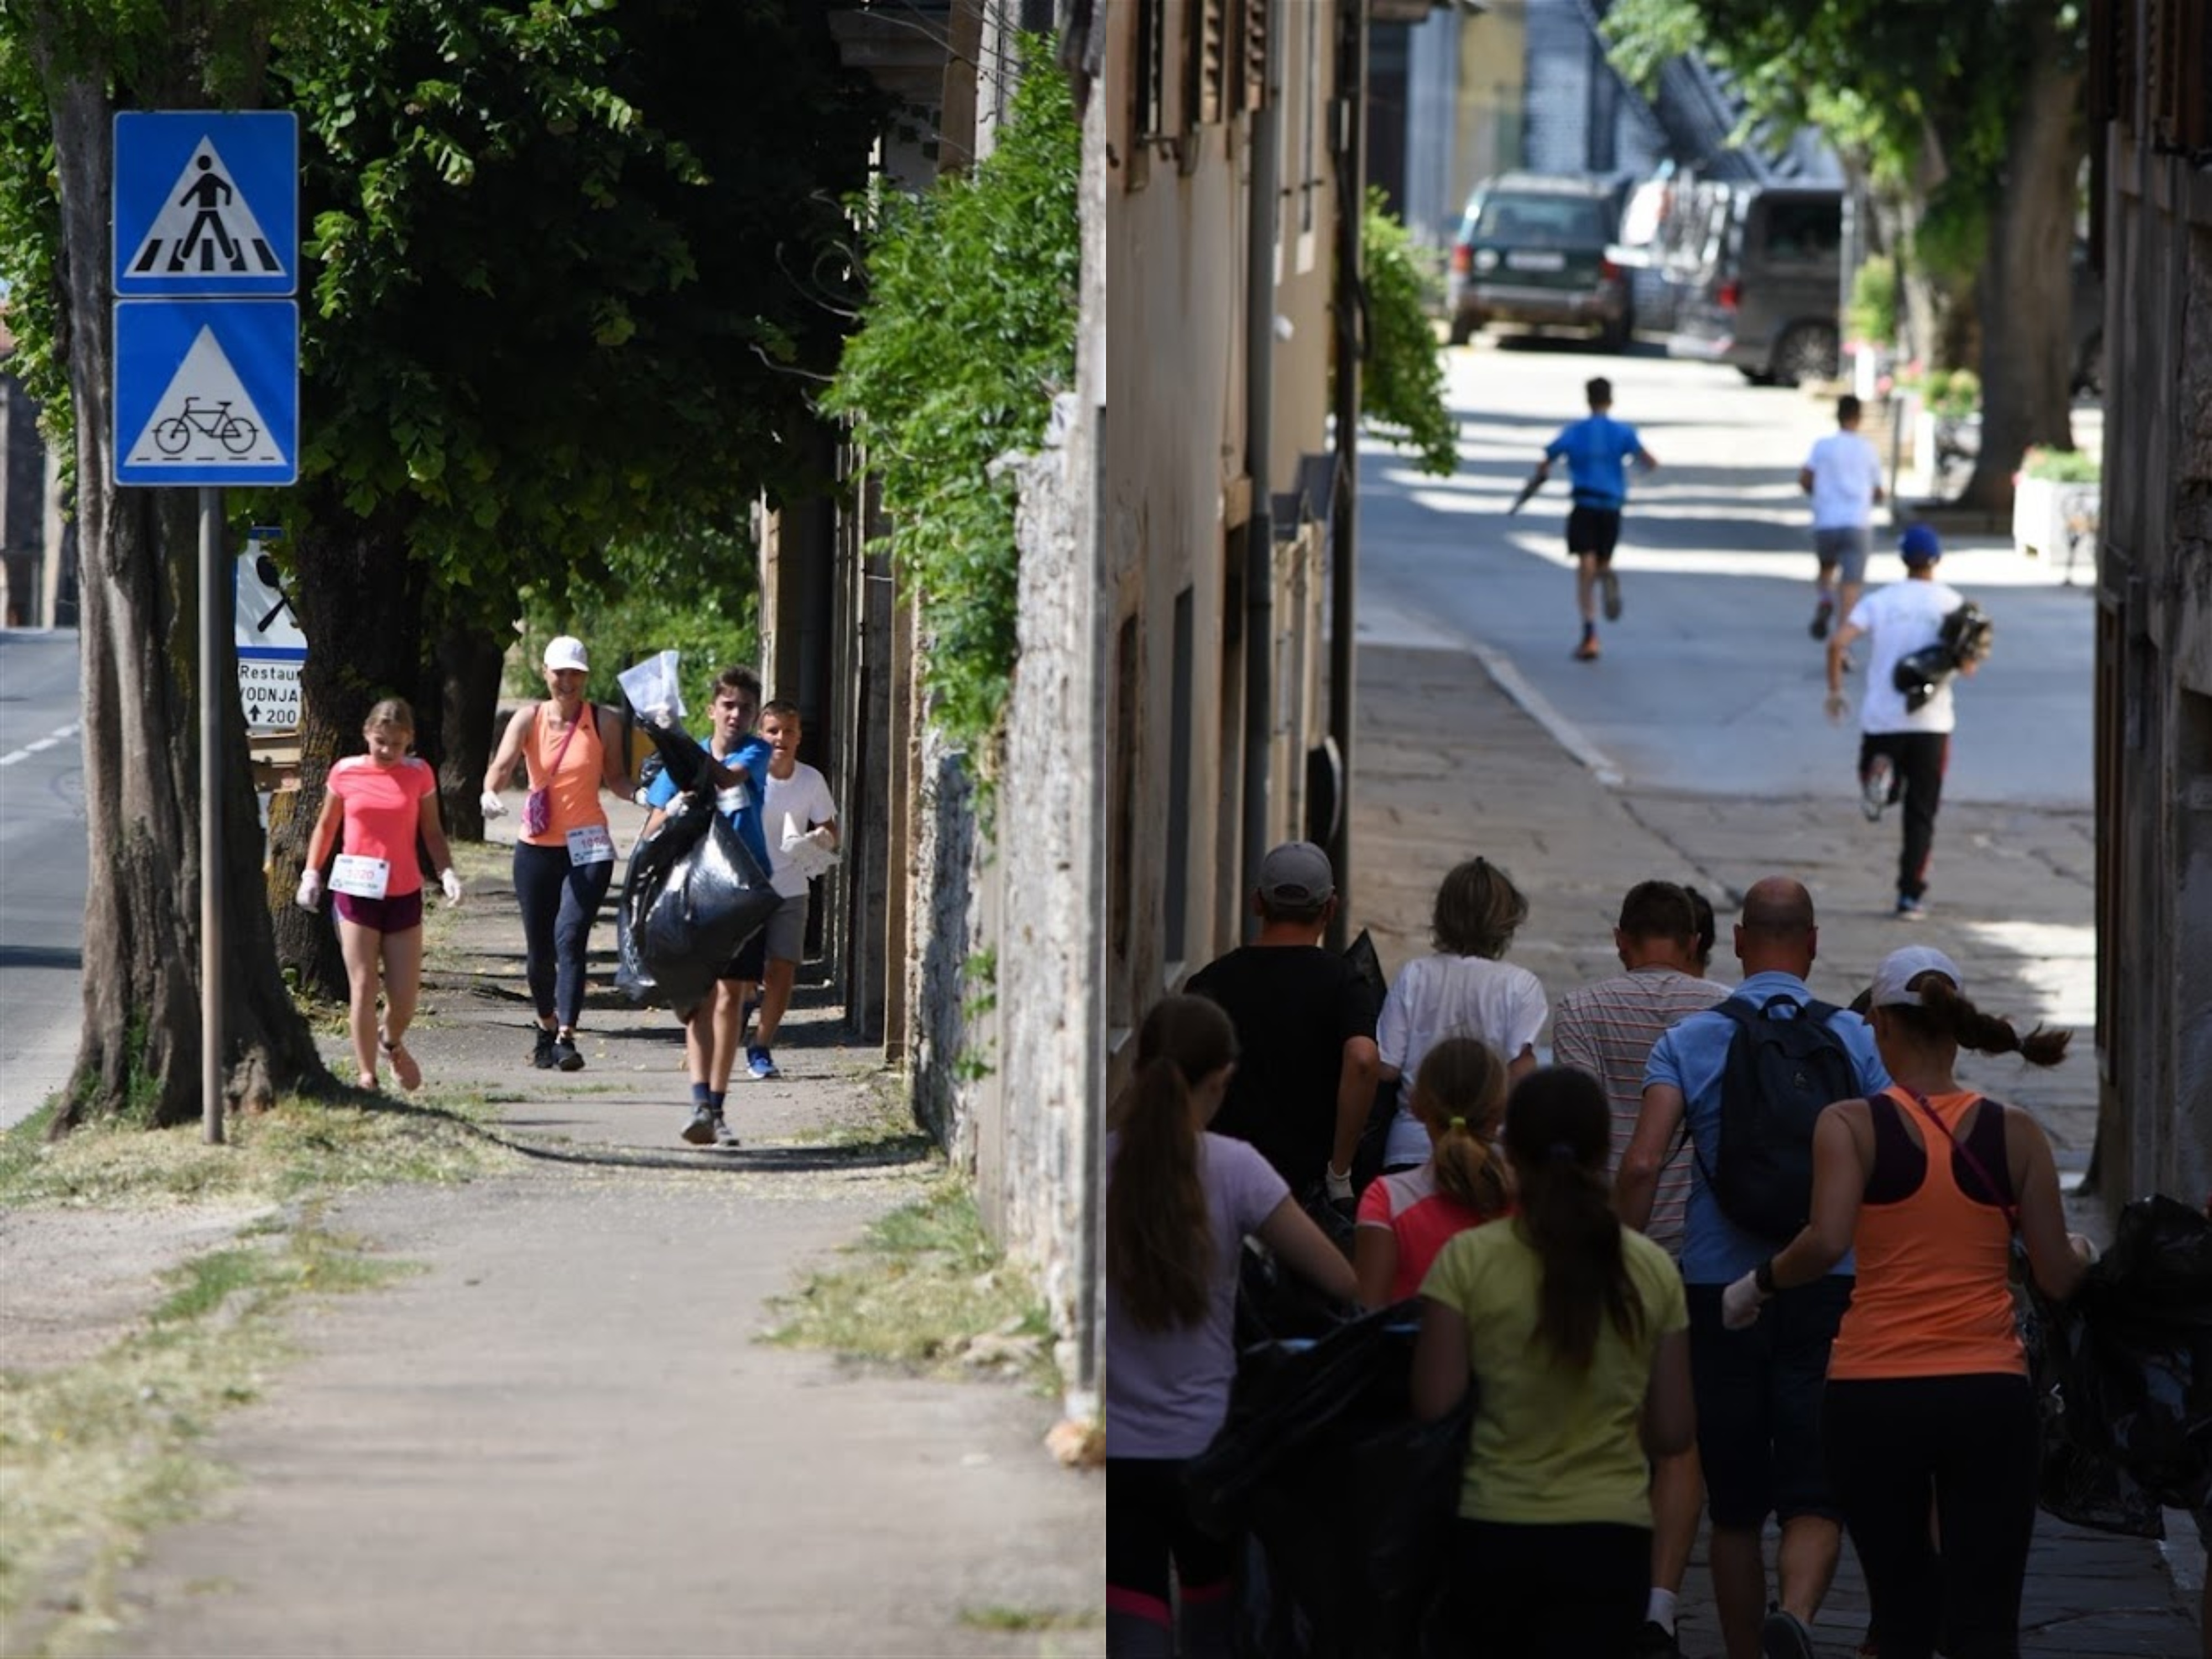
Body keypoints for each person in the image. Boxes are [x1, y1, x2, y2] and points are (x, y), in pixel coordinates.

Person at [1723, 946, 2093, 1659]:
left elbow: (1826, 1241)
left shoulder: (1849, 1126)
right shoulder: (2014, 1131)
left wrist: (1756, 1285)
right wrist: (2081, 1251)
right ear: (1955, 1030)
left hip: (1872, 1395)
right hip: (1986, 1391)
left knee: (1900, 1614)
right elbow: (2055, 1275)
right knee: (1985, 1621)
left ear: (1880, 1029)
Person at [1616, 877, 1890, 1659]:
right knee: (1814, 1491)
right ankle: (1796, 1619)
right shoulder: (1856, 1040)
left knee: (1733, 1507)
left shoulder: (1691, 1041)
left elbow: (1641, 1165)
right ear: (1813, 943)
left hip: (1715, 1289)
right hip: (1827, 1283)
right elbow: (1892, 1163)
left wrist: (1609, 1264)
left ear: (1735, 943)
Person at [1105, 994, 1358, 1659]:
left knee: (1132, 1611)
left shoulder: (1093, 1166)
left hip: (1114, 1450)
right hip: (1208, 1450)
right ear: (1220, 1081)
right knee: (1212, 1614)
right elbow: (1339, 1278)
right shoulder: (1236, 1168)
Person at [1412, 1066, 1695, 1658]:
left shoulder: (1467, 1260)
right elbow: (1672, 1431)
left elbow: (1434, 1403)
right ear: (1602, 1153)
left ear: (1510, 1151)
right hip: (1611, 1533)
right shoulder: (1649, 1268)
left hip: (1493, 1523)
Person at [1553, 880, 1732, 1656]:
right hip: (1702, 1255)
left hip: (1612, 1243)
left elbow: (1590, 1136)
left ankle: (1604, 1585)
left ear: (1622, 939)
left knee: (1608, 1424)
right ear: (1695, 943)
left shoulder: (1582, 1011)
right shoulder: (1727, 1013)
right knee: (1681, 1437)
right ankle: (1659, 1605)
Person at [1188, 841, 1381, 1210]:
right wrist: (1339, 1174)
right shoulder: (1345, 983)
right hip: (1306, 1186)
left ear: (1257, 903)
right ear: (1331, 908)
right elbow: (1362, 1059)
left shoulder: (1208, 982)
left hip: (1225, 1179)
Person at [481, 635, 637, 1072]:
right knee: (538, 952)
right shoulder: (528, 719)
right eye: (559, 673)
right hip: (537, 849)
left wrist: (643, 794)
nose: (567, 681)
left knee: (570, 936)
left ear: (586, 677)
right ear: (545, 674)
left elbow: (617, 778)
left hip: (588, 849)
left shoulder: (603, 720)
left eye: (575, 673)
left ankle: (567, 1036)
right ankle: (546, 1024)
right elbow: (502, 765)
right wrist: (488, 793)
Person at [637, 666, 774, 1147]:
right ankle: (699, 1104)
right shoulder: (679, 759)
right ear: (713, 708)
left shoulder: (756, 752)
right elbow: (651, 830)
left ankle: (717, 1106)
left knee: (732, 1000)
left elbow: (725, 776)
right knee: (698, 997)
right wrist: (674, 805)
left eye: (746, 709)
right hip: (694, 889)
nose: (736, 715)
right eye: (729, 705)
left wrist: (674, 739)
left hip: (743, 891)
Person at [297, 698, 464, 1092]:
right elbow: (326, 826)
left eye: (396, 744)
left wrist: (447, 872)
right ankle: (366, 1074)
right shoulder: (346, 773)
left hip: (403, 892)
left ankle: (391, 1043)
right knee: (363, 984)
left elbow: (432, 832)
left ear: (409, 741)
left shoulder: (419, 775)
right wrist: (311, 873)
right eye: (380, 742)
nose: (387, 751)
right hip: (356, 891)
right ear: (367, 735)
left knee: (404, 997)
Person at [1824, 523, 1979, 920]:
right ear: (1937, 560)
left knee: (1882, 792)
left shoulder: (1882, 602)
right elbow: (1970, 665)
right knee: (1921, 813)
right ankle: (1910, 896)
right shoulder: (1952, 603)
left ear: (1903, 559)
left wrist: (1836, 691)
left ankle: (1881, 780)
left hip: (1883, 719)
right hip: (1932, 723)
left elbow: (1839, 642)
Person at [1374, 856, 1546, 1175]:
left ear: (1442, 915)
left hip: (1412, 1144)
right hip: (1487, 1152)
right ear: (1507, 920)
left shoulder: (1415, 974)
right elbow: (1521, 1077)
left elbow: (1386, 1067)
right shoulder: (1520, 986)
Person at [727, 698, 838, 1083]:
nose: (781, 738)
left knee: (783, 969)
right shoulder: (746, 775)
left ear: (799, 737)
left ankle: (761, 1046)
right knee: (743, 975)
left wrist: (819, 839)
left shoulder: (811, 780)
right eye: (773, 731)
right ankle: (739, 1011)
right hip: (747, 888)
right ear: (761, 735)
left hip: (791, 887)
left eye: (789, 731)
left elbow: (831, 829)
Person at [1353, 1036, 1511, 1307]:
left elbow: (1369, 1316)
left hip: (1414, 1348)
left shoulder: (1386, 1200)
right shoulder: (1526, 1197)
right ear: (1500, 1112)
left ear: (1416, 1107)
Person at [1528, 376, 1660, 662]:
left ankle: (1590, 633)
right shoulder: (1623, 433)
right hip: (1612, 505)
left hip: (1585, 503)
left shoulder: (1575, 432)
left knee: (1583, 568)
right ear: (1610, 400)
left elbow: (1546, 459)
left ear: (1588, 400)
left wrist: (1541, 477)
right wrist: (1629, 479)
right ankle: (1605, 571)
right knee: (1602, 558)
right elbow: (1650, 462)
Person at [1801, 394, 1887, 642]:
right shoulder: (1868, 449)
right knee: (1850, 586)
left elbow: (1806, 479)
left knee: (1826, 568)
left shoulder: (1822, 446)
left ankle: (1825, 599)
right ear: (1859, 418)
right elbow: (1879, 490)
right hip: (1856, 522)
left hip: (1826, 520)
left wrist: (1820, 493)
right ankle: (1842, 641)